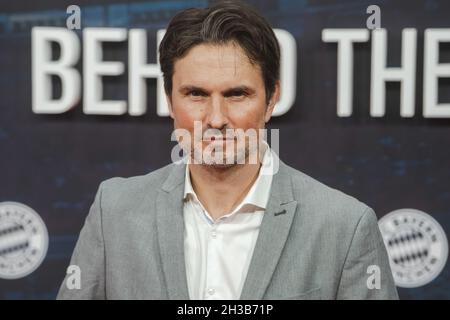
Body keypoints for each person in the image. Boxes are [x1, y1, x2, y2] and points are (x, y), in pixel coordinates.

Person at [57, 0, 398, 300]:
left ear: (271, 100)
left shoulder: (344, 226)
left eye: (237, 94)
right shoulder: (114, 212)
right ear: (169, 101)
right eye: (196, 94)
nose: (216, 118)